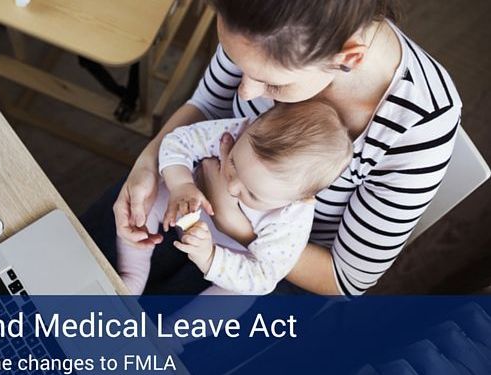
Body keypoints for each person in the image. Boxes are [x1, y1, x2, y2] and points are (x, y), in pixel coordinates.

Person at [82, 0, 461, 296]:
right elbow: (208, 106)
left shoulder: (421, 123)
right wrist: (148, 164)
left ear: (347, 58)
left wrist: (239, 227)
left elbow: (345, 279)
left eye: (272, 84)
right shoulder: (262, 17)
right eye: (237, 62)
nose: (245, 92)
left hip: (273, 261)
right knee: (60, 270)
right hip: (188, 186)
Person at [117, 101, 352, 295]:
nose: (231, 186)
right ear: (251, 126)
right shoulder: (240, 130)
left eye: (252, 193)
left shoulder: (292, 218)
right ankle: (131, 277)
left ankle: (172, 335)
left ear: (301, 199)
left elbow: (263, 276)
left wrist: (210, 257)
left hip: (232, 253)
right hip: (188, 201)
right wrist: (181, 184)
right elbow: (179, 141)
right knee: (146, 201)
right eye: (233, 164)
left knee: (238, 296)